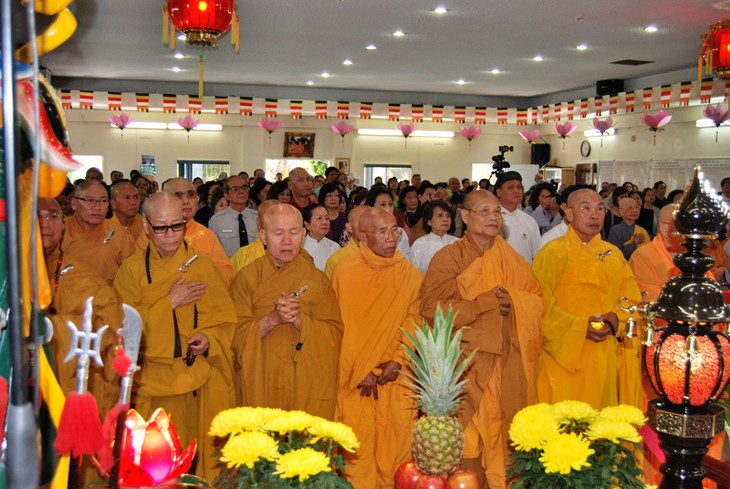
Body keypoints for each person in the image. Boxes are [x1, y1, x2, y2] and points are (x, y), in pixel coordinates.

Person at [419, 190, 544, 488]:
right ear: (465, 216)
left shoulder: (511, 258)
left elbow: (538, 300)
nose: (492, 218)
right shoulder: (449, 257)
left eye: (497, 212)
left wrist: (514, 301)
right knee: (469, 443)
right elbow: (430, 309)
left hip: (507, 363)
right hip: (467, 367)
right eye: (484, 211)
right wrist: (483, 304)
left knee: (506, 433)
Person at [114, 192, 237, 479]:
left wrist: (208, 338)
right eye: (161, 227)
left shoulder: (203, 266)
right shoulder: (131, 271)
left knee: (191, 468)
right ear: (146, 226)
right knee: (150, 471)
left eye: (177, 225)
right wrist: (168, 302)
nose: (170, 234)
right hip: (149, 387)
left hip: (194, 385)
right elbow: (124, 329)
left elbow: (225, 321)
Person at [331, 207, 421, 489]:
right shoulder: (346, 273)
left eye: (394, 230)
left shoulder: (409, 273)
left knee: (397, 451)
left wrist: (398, 360)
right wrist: (361, 370)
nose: (391, 237)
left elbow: (415, 319)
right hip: (358, 380)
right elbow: (338, 328)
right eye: (382, 232)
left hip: (396, 376)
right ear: (363, 237)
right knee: (358, 454)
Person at [229, 203, 343, 419]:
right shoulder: (246, 279)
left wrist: (300, 321)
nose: (287, 241)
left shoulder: (318, 280)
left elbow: (334, 335)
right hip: (261, 379)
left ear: (303, 234)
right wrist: (272, 319)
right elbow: (232, 337)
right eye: (278, 233)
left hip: (305, 383)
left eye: (293, 232)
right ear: (263, 236)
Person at [532, 189, 642, 409]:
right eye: (586, 208)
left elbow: (631, 300)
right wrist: (580, 327)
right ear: (568, 213)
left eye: (599, 208)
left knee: (601, 422)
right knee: (565, 424)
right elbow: (538, 306)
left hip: (604, 351)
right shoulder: (552, 253)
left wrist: (615, 318)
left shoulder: (613, 254)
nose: (594, 215)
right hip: (565, 355)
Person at [39, 198, 122, 417]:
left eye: (52, 216)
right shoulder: (7, 274)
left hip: (69, 392)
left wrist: (48, 326)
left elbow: (111, 329)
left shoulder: (81, 274)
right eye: (37, 216)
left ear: (63, 225)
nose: (45, 223)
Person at [139, 178, 234, 286]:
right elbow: (141, 278)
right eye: (178, 196)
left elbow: (226, 274)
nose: (185, 201)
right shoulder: (151, 235)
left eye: (190, 195)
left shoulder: (206, 235)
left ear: (198, 199)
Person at [63, 180, 137, 284]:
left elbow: (134, 273)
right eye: (90, 200)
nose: (97, 207)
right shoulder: (60, 232)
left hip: (108, 297)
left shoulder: (119, 234)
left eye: (103, 201)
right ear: (74, 203)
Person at [494, 171, 540, 264]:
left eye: (519, 187)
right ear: (499, 192)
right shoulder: (492, 219)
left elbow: (537, 254)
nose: (517, 191)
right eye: (511, 188)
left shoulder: (529, 220)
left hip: (525, 275)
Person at [208, 176, 259, 258]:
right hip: (229, 268)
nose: (241, 191)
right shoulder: (216, 221)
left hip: (254, 268)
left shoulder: (257, 218)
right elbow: (213, 253)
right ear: (226, 195)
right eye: (235, 189)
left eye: (244, 188)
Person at [410, 201, 458, 275]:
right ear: (429, 222)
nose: (445, 219)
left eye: (448, 215)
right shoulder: (420, 244)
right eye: (440, 215)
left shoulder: (457, 242)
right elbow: (412, 273)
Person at [230, 200, 277, 274]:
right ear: (258, 222)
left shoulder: (295, 254)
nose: (274, 224)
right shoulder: (242, 256)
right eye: (268, 219)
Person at [365, 186, 412, 259]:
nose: (388, 208)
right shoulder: (365, 233)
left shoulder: (401, 233)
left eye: (390, 204)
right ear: (371, 207)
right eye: (383, 204)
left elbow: (407, 260)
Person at [325, 205, 368, 279]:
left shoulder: (385, 255)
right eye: (362, 223)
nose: (369, 228)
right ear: (350, 227)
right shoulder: (336, 260)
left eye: (374, 224)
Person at [302, 203, 340, 271]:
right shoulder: (300, 248)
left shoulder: (335, 247)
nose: (325, 222)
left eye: (327, 218)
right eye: (319, 218)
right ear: (307, 224)